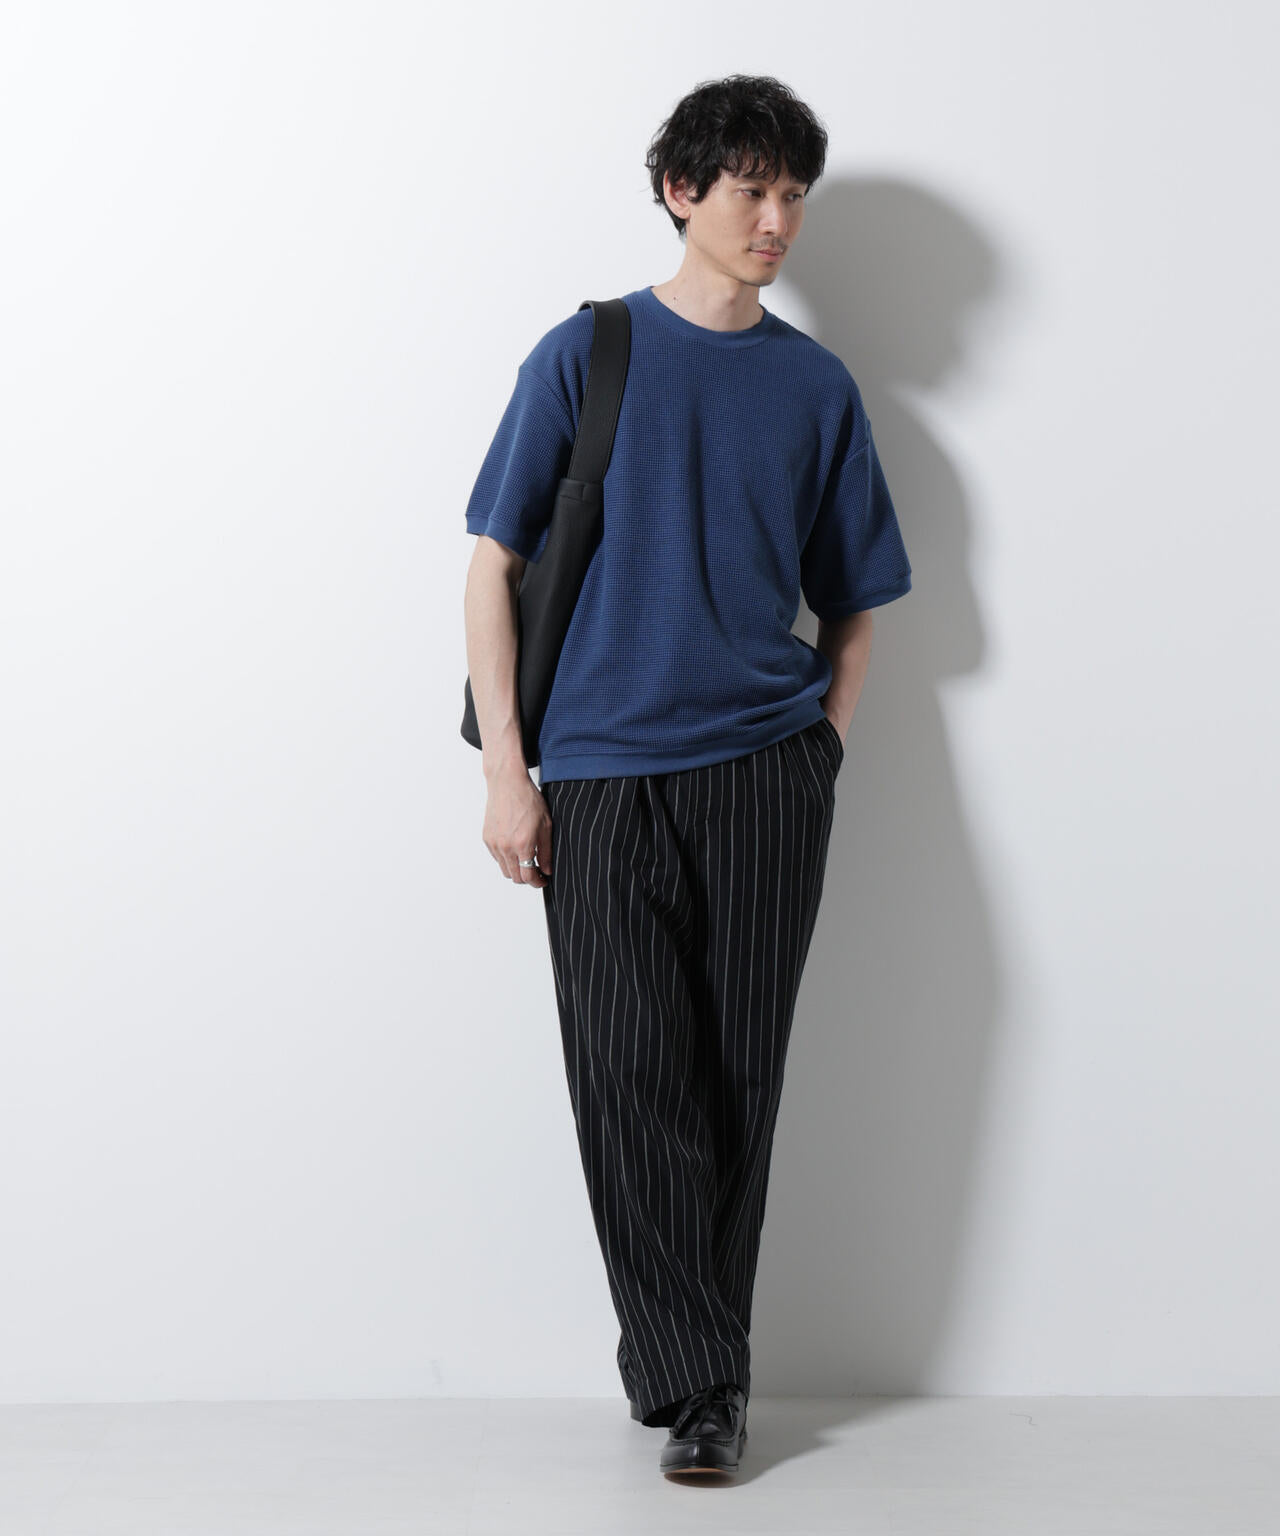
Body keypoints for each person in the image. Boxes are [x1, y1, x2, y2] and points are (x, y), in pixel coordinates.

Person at [461, 74, 912, 1480]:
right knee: (628, 1078)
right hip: (597, 777)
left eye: (794, 195)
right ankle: (697, 1372)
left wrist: (821, 748)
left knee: (734, 1084)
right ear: (681, 190)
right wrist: (508, 774)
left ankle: (700, 1382)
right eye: (752, 188)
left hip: (765, 775)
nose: (777, 219)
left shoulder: (815, 388)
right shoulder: (585, 354)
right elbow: (491, 568)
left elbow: (857, 598)